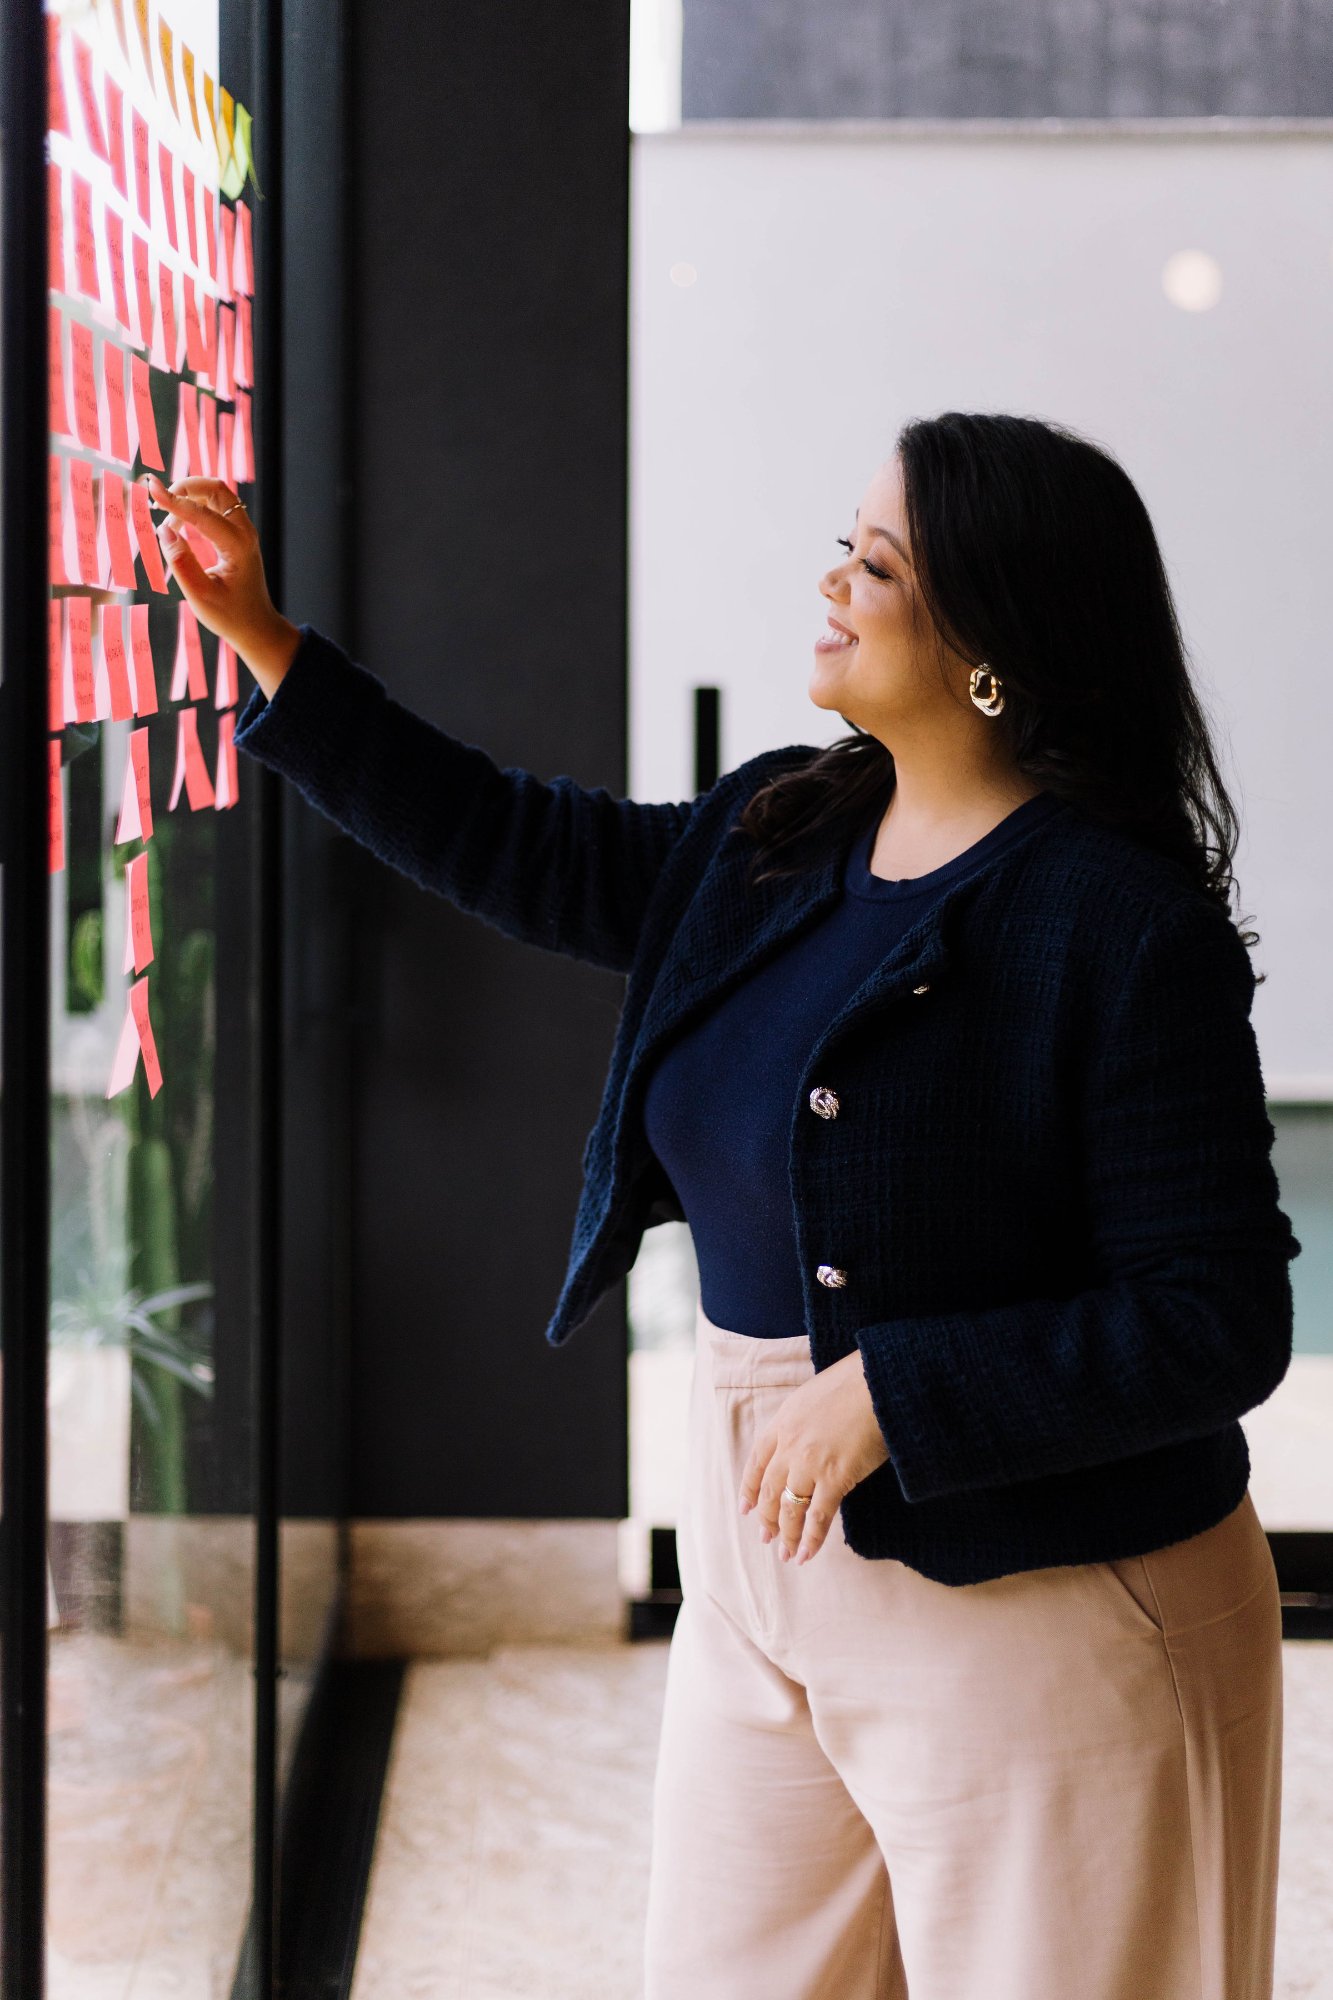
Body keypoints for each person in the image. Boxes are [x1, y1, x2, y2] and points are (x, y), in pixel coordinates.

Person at [143, 409, 1301, 2000]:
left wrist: (895, 1395)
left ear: (993, 644)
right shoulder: (786, 826)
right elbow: (513, 841)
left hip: (1047, 1592)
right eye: (847, 542)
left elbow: (1214, 1316)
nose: (830, 580)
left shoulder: (1117, 924)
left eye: (877, 562)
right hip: (762, 1553)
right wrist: (269, 643)